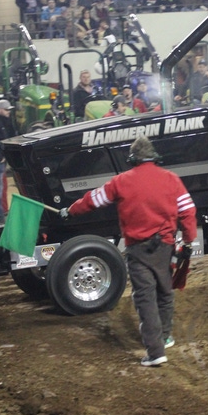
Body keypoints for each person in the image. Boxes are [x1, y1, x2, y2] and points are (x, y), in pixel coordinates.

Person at [59, 136, 197, 367]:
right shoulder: (171, 179)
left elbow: (93, 200)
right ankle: (164, 336)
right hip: (165, 245)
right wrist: (189, 240)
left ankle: (155, 353)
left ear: (132, 159)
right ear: (154, 157)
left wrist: (70, 210)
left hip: (137, 249)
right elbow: (188, 211)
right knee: (165, 291)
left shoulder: (120, 182)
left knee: (145, 297)